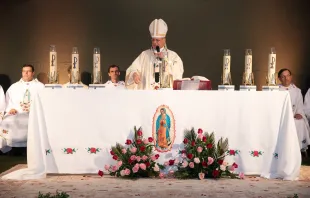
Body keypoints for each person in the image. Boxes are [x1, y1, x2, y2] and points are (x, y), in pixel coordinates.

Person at [125, 19, 184, 90]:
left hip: (165, 96)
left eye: (157, 40)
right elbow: (133, 68)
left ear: (164, 40)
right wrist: (134, 74)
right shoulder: (144, 55)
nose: (155, 42)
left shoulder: (173, 56)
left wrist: (165, 60)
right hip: (147, 95)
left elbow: (177, 75)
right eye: (153, 40)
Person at [0, 64, 45, 153]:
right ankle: (14, 148)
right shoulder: (14, 87)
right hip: (17, 113)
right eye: (24, 71)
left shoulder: (40, 87)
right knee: (8, 121)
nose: (26, 73)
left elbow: (44, 101)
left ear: (33, 73)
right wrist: (11, 109)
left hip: (34, 114)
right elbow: (8, 101)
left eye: (28, 71)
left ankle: (33, 149)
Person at [278, 68, 310, 150]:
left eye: (288, 76)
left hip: (294, 116)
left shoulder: (297, 91)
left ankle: (297, 148)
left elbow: (300, 105)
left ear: (291, 77)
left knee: (299, 122)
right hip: (280, 117)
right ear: (279, 78)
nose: (286, 78)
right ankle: (282, 148)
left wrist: (299, 113)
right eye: (283, 76)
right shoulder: (276, 91)